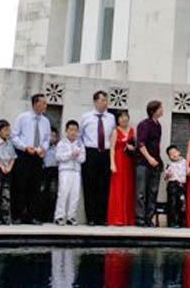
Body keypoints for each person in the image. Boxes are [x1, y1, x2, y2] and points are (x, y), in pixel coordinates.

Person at [10, 93, 51, 224]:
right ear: (36, 104)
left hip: (37, 156)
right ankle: (17, 215)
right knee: (20, 185)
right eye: (43, 103)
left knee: (35, 186)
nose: (45, 105)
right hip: (24, 154)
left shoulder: (46, 121)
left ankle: (32, 215)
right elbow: (14, 136)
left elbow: (47, 139)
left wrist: (43, 148)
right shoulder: (23, 118)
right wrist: (25, 147)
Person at [79, 91, 115, 226]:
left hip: (105, 153)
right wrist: (83, 152)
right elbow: (80, 136)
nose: (105, 103)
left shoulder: (111, 117)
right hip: (90, 152)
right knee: (90, 185)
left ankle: (101, 217)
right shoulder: (86, 117)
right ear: (95, 102)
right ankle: (91, 217)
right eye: (102, 100)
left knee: (104, 186)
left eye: (106, 100)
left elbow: (113, 136)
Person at [134, 100, 163, 227]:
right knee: (141, 191)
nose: (162, 110)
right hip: (143, 162)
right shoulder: (144, 124)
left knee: (153, 191)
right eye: (160, 108)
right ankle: (139, 218)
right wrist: (149, 158)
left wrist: (157, 160)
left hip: (155, 162)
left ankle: (148, 218)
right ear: (153, 110)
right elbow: (141, 143)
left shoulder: (158, 125)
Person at [107, 110, 136, 226]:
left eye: (125, 116)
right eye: (121, 117)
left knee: (128, 188)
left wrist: (132, 148)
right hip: (118, 161)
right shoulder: (115, 131)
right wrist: (112, 163)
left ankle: (128, 218)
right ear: (117, 120)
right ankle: (117, 218)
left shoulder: (132, 130)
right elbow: (112, 148)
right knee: (118, 188)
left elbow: (135, 145)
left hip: (129, 162)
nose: (124, 119)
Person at [54, 120, 85, 225]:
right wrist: (71, 154)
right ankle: (59, 216)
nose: (73, 132)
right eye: (71, 130)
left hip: (76, 171)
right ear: (66, 131)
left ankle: (71, 217)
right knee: (63, 193)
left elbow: (83, 158)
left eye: (75, 130)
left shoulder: (80, 144)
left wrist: (76, 156)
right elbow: (58, 157)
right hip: (65, 170)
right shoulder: (61, 143)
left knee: (75, 194)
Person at [163, 145, 187, 228]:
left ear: (179, 152)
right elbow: (165, 177)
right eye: (171, 154)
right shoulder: (169, 165)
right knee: (172, 204)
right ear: (169, 157)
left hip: (182, 185)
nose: (173, 155)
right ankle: (172, 222)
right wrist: (167, 174)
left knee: (181, 204)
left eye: (174, 152)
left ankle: (181, 222)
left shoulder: (185, 162)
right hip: (172, 185)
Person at [40, 131, 59, 223]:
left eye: (54, 136)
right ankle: (41, 215)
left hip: (54, 171)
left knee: (53, 193)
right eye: (51, 136)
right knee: (42, 192)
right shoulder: (44, 148)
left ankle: (50, 216)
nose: (52, 138)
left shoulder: (58, 148)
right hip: (44, 171)